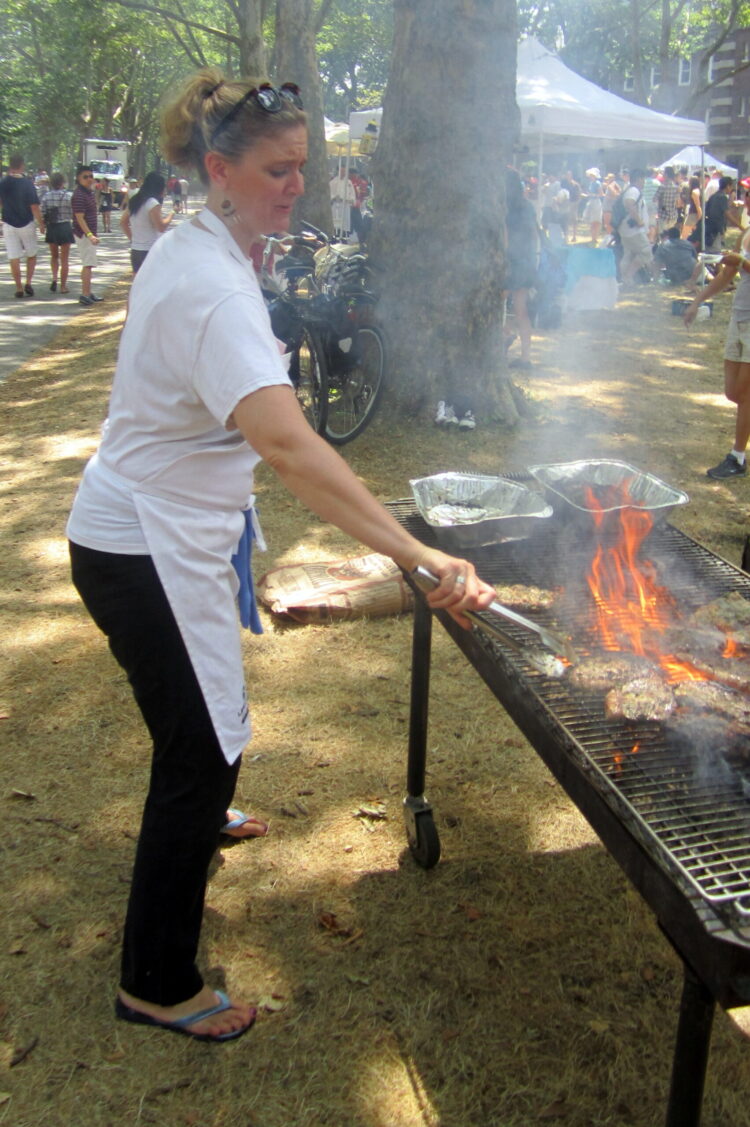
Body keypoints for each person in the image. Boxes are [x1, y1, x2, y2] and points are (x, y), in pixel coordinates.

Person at [66, 67, 497, 1044]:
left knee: (195, 726)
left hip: (154, 531)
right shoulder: (210, 284)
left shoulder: (204, 243)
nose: (297, 185)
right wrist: (415, 556)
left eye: (306, 167)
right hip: (143, 548)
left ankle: (201, 824)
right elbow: (296, 448)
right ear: (217, 168)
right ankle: (156, 979)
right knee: (203, 749)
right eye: (277, 170)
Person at [684, 230, 750, 478]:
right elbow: (727, 275)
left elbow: (740, 265)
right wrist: (697, 301)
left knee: (745, 395)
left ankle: (737, 457)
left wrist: (742, 262)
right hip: (740, 318)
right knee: (732, 392)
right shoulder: (746, 234)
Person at [502, 167, 539, 371]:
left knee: (493, 304)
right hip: (527, 261)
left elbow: (506, 238)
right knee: (521, 310)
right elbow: (533, 234)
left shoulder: (505, 206)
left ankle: (505, 335)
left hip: (511, 262)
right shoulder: (528, 206)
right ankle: (526, 358)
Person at [0, 153, 45, 298]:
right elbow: (34, 206)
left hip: (9, 223)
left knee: (14, 257)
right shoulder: (27, 183)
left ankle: (18, 287)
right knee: (31, 254)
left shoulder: (3, 182)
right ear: (22, 165)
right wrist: (41, 223)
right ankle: (28, 282)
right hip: (26, 222)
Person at [120, 171, 174, 272]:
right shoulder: (152, 203)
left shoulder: (135, 201)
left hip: (135, 250)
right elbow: (161, 227)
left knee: (137, 286)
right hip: (150, 250)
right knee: (152, 285)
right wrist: (172, 213)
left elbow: (123, 222)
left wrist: (133, 239)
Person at [71, 165, 103, 306]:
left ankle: (88, 292)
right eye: (85, 177)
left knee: (90, 263)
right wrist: (89, 235)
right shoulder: (78, 195)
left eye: (91, 176)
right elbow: (79, 218)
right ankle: (84, 294)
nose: (89, 179)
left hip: (90, 233)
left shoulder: (88, 193)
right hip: (84, 234)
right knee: (88, 264)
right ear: (78, 179)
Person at [617, 169, 654, 285]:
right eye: (643, 179)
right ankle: (627, 276)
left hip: (627, 230)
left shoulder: (631, 190)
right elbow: (629, 203)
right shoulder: (633, 190)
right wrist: (639, 221)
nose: (644, 182)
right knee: (646, 252)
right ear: (639, 179)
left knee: (629, 254)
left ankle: (625, 278)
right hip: (634, 231)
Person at [41, 172, 75, 293]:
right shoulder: (69, 196)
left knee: (54, 256)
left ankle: (55, 278)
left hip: (52, 228)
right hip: (65, 226)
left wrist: (43, 226)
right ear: (62, 182)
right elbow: (73, 213)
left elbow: (43, 212)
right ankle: (63, 286)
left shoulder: (46, 196)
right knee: (64, 258)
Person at [582, 167, 603, 245]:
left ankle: (595, 237)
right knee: (591, 221)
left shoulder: (597, 183)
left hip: (596, 202)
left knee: (596, 221)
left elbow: (601, 194)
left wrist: (592, 195)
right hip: (591, 202)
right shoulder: (591, 183)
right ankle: (593, 237)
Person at [680, 175, 702, 240]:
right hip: (695, 214)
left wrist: (699, 216)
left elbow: (697, 205)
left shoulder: (694, 192)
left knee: (684, 235)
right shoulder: (700, 190)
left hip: (693, 214)